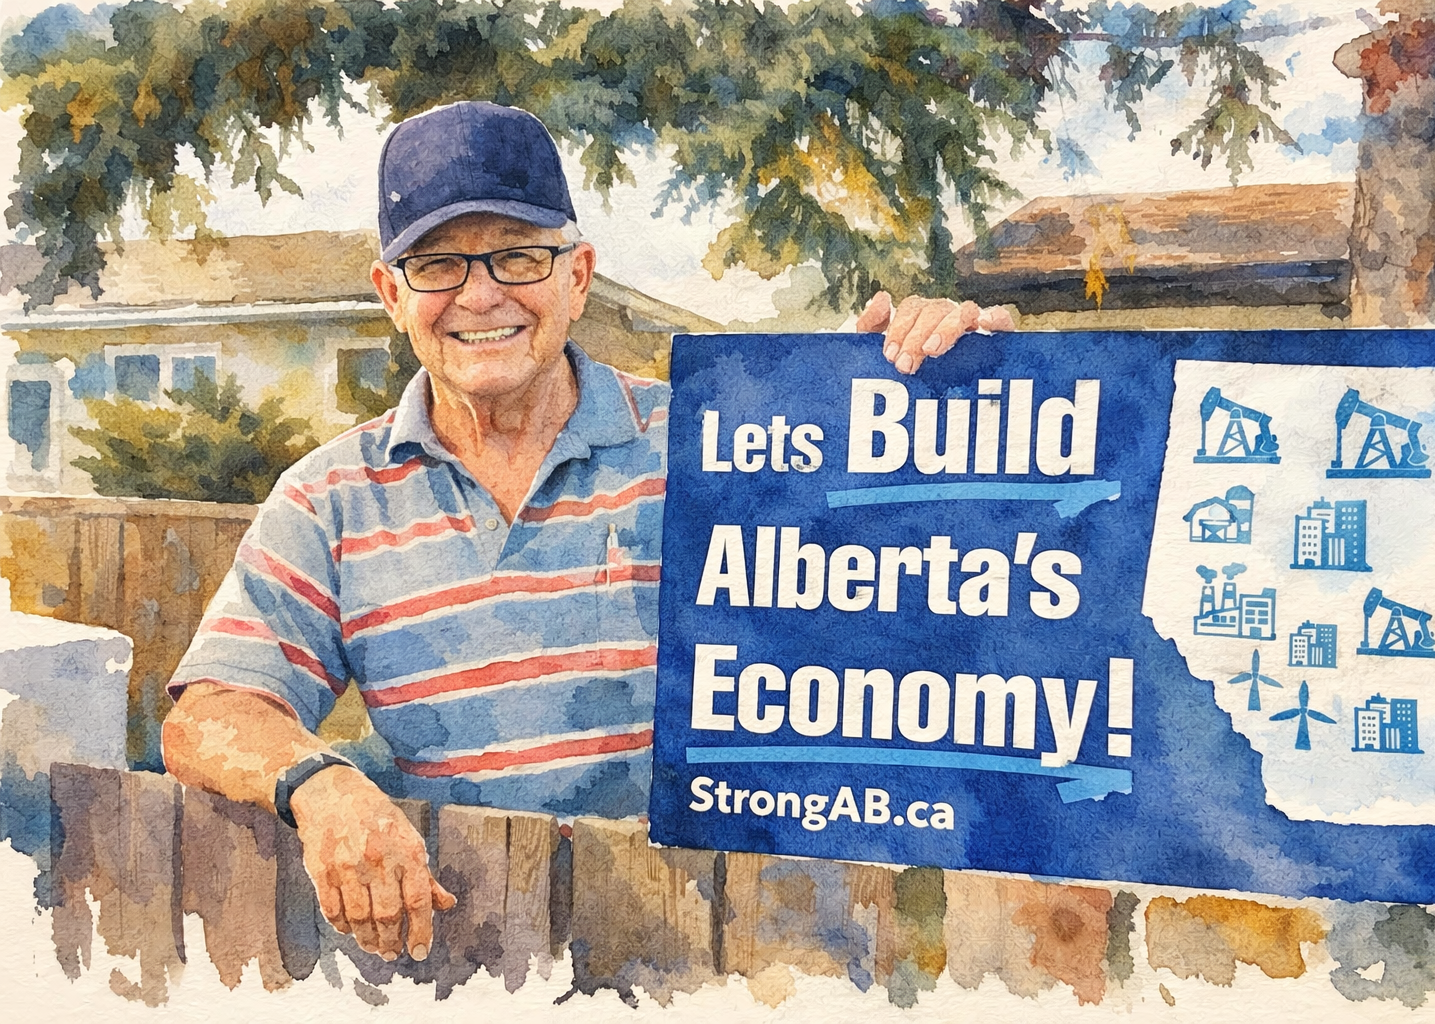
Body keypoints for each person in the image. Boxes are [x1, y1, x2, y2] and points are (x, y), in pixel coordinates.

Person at [160, 102, 1015, 964]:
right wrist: (322, 785)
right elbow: (210, 712)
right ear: (392, 296)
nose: (481, 293)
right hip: (477, 958)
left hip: (739, 946)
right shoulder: (331, 497)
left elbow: (930, 601)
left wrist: (955, 405)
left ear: (578, 275)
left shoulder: (712, 447)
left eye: (518, 256)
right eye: (438, 263)